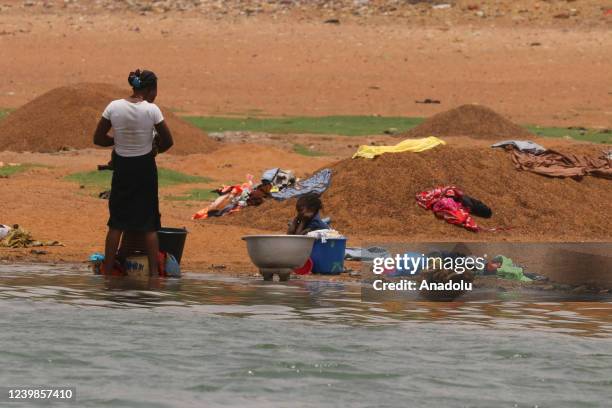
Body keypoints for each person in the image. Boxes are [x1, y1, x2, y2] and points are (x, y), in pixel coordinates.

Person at [93, 69, 174, 276]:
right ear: (150, 89)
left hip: (122, 169)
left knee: (116, 223)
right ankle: (154, 277)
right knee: (149, 224)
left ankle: (108, 273)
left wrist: (118, 138)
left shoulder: (113, 107)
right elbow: (168, 141)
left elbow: (98, 139)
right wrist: (155, 149)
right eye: (155, 91)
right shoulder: (152, 110)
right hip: (145, 169)